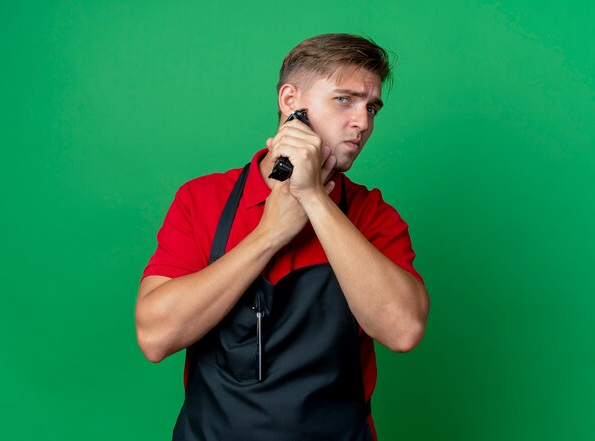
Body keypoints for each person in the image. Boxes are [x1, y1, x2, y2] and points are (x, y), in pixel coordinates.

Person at [136, 33, 429, 441]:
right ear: (290, 101)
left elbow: (403, 331)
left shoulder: (372, 214)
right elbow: (155, 337)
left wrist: (313, 199)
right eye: (344, 99)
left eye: (372, 107)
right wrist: (269, 235)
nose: (363, 122)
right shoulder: (201, 199)